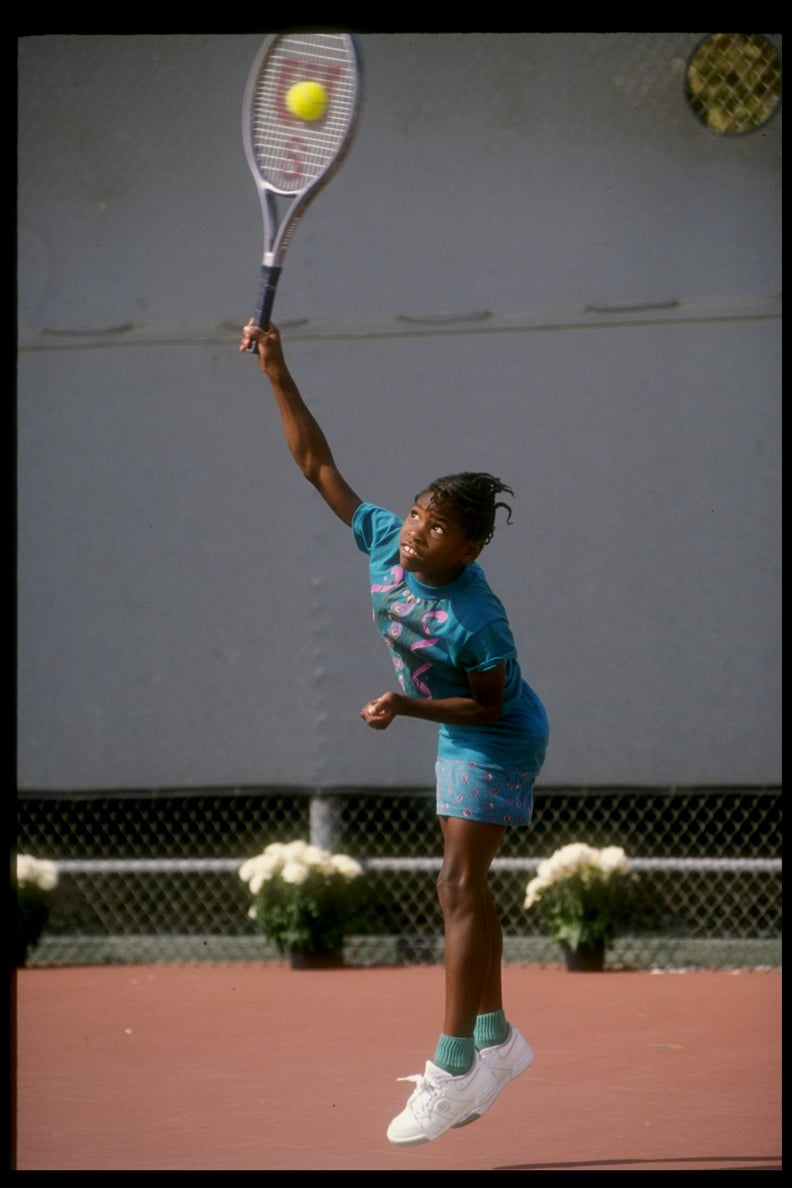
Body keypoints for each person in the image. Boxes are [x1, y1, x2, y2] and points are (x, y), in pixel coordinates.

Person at [240, 321, 550, 1147]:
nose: (415, 530)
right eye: (416, 513)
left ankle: (453, 1069)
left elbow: (488, 710)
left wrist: (404, 706)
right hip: (453, 730)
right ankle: (496, 1040)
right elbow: (317, 465)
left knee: (456, 884)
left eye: (438, 528)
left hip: (499, 734)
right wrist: (277, 370)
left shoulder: (479, 619)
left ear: (472, 545)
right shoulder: (384, 541)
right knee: (463, 887)